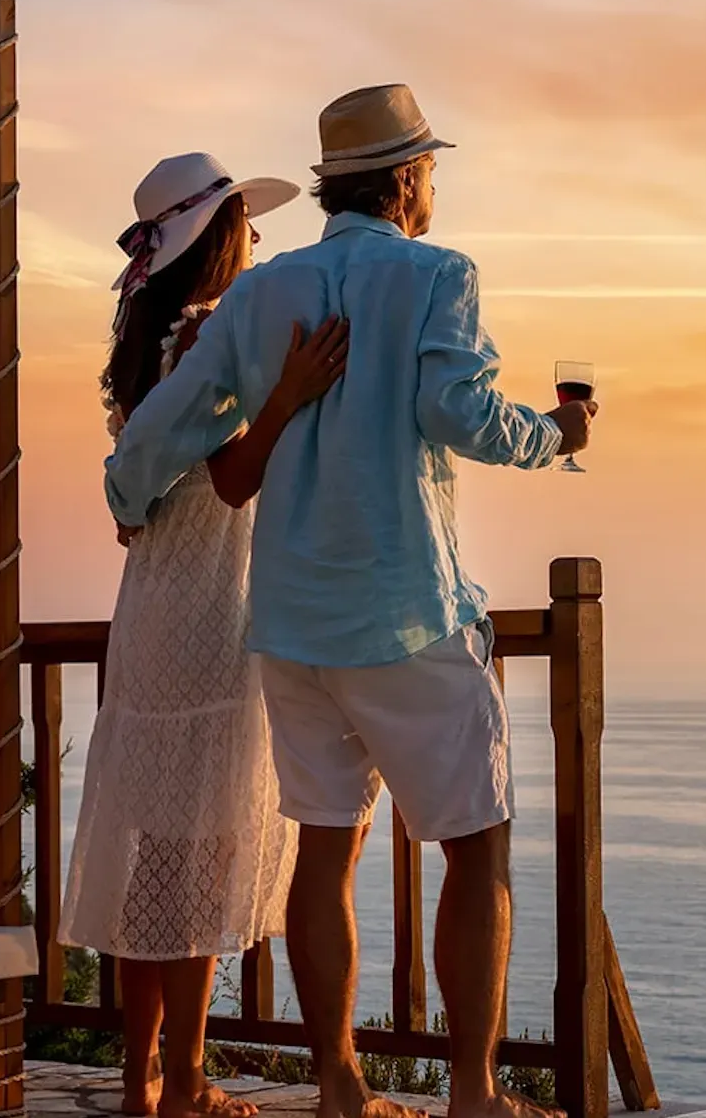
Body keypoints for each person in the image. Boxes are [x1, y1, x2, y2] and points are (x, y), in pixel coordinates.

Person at [105, 86, 596, 1118]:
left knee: (323, 850)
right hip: (407, 608)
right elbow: (456, 413)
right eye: (430, 175)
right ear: (410, 180)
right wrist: (557, 434)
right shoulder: (436, 276)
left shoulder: (260, 294)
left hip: (289, 626)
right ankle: (472, 1090)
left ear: (337, 185)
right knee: (475, 844)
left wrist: (127, 495)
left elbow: (162, 429)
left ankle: (337, 1083)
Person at [62, 152, 350, 1118]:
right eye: (247, 227)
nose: (258, 242)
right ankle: (184, 1081)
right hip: (210, 603)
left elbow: (139, 486)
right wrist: (289, 396)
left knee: (150, 844)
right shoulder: (208, 339)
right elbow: (232, 480)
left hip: (150, 601)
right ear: (219, 239)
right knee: (193, 856)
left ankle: (145, 1080)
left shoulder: (148, 337)